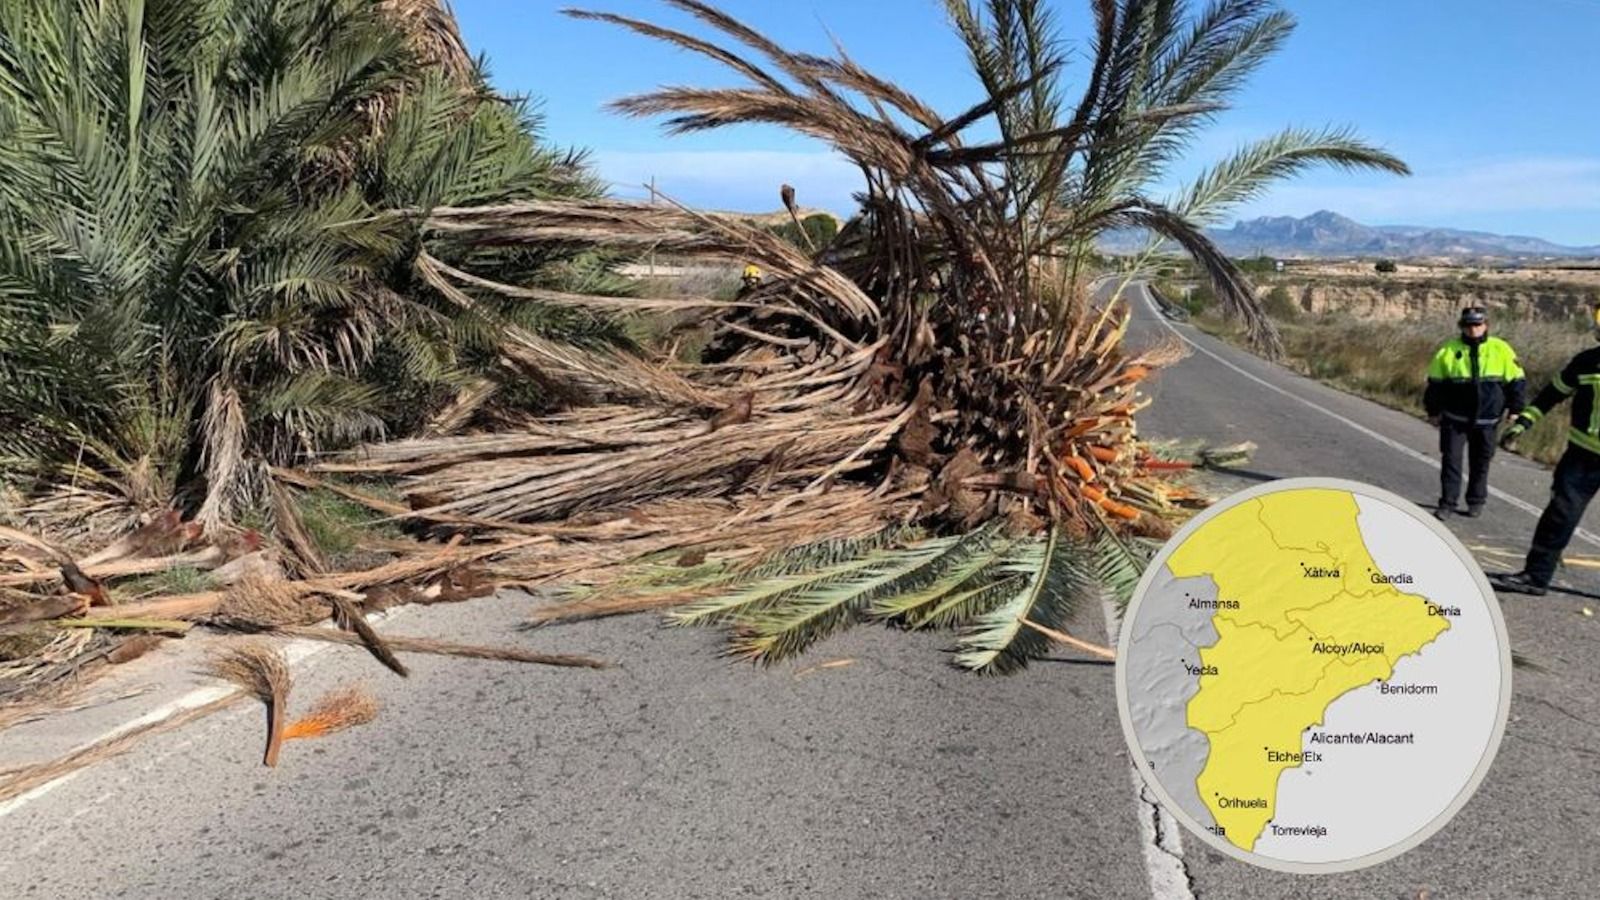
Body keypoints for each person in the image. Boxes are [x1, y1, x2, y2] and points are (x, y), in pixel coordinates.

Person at [1492, 304, 1600, 596]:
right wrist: (1522, 423)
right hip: (1582, 458)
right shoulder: (1587, 362)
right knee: (1559, 516)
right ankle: (1536, 576)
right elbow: (1550, 397)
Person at [1423, 307, 1526, 519]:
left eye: (1477, 324)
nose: (1473, 329)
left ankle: (1476, 501)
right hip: (1455, 418)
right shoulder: (1448, 350)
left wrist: (1516, 409)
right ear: (1462, 326)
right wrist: (1433, 411)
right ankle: (1447, 504)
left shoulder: (1501, 349)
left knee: (1481, 462)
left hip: (1488, 419)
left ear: (1486, 325)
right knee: (1451, 461)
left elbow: (1516, 381)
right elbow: (1435, 385)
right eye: (1468, 325)